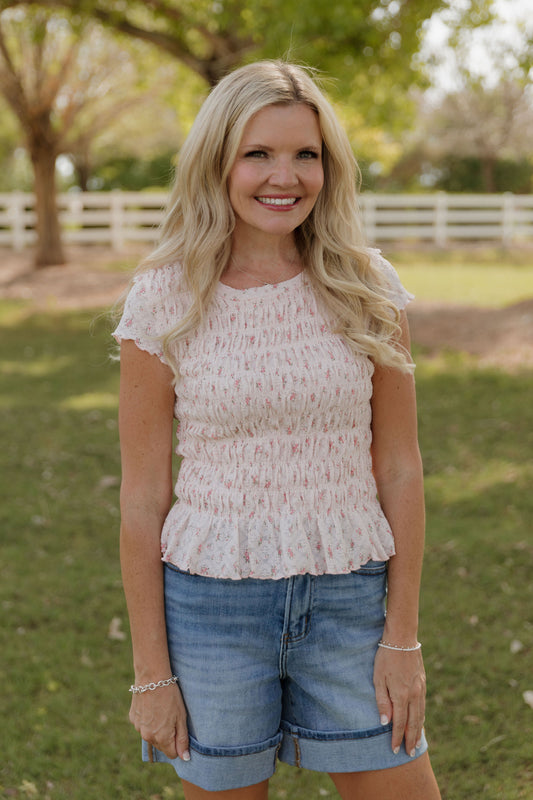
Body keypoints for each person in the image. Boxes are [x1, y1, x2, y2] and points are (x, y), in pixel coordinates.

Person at [113, 60, 441, 800]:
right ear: (217, 160)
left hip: (351, 603)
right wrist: (151, 673)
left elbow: (399, 469)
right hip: (210, 613)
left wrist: (401, 637)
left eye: (306, 154)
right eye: (257, 153)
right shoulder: (164, 299)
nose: (283, 176)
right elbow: (141, 497)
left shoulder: (367, 288)